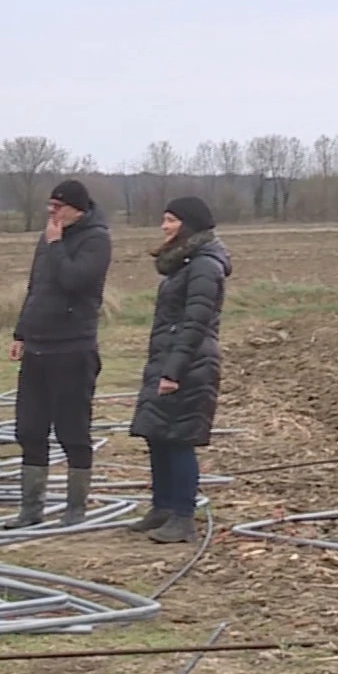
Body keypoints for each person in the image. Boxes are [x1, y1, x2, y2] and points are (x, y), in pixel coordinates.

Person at [8, 179, 112, 529]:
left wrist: (55, 246)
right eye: (49, 206)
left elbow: (74, 280)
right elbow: (37, 287)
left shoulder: (96, 240)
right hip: (38, 348)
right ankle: (30, 509)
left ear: (77, 209)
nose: (51, 213)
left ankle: (75, 509)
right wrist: (21, 332)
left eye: (58, 207)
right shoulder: (49, 237)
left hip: (73, 348)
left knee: (72, 430)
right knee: (29, 429)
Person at [130, 196, 231, 544]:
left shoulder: (204, 266)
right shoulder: (184, 263)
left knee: (179, 439)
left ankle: (183, 517)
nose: (164, 226)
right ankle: (162, 507)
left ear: (188, 224)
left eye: (171, 220)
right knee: (157, 433)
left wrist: (174, 370)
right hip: (169, 356)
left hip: (190, 362)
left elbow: (195, 322)